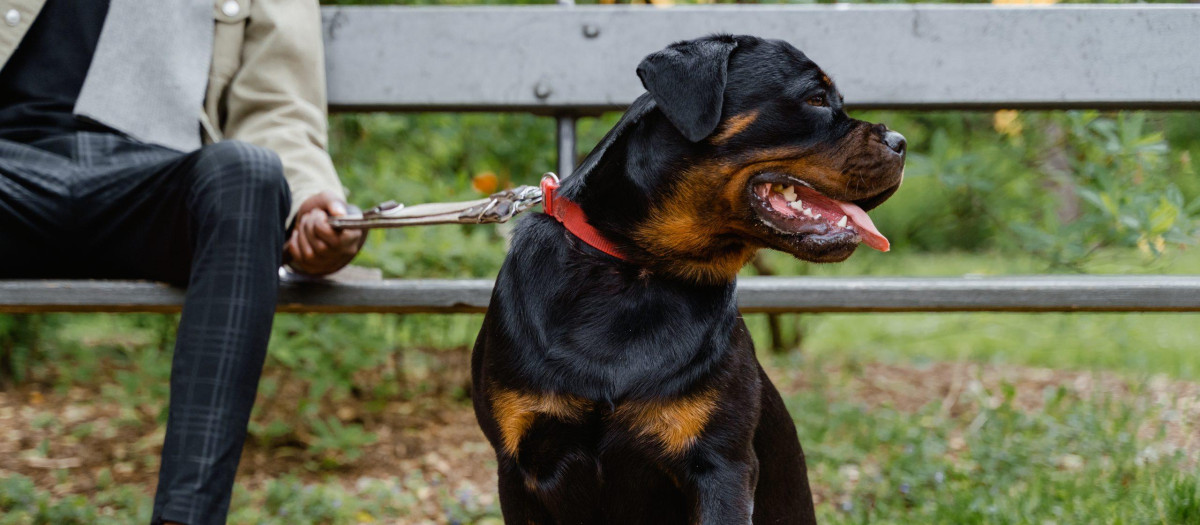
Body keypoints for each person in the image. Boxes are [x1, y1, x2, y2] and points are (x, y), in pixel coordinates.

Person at [0, 0, 364, 522]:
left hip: (153, 184)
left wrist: (310, 201)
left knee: (249, 173)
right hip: (11, 172)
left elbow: (276, 107)